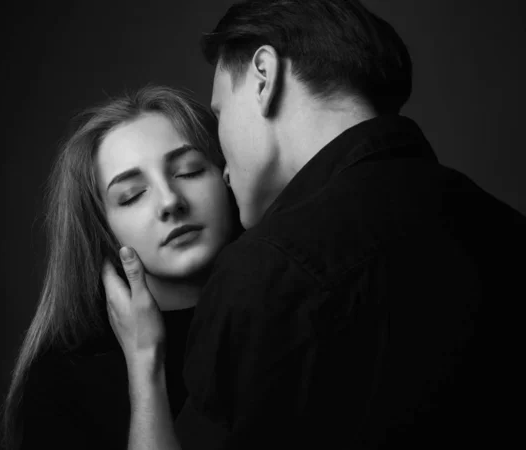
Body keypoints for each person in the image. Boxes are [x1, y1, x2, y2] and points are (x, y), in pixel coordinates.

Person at [112, 1, 526, 449]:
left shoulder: (265, 270)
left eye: (221, 114)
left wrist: (145, 364)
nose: (224, 167)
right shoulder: (507, 229)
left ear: (264, 77)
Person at [1, 85, 240, 450]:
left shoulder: (292, 313)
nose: (169, 202)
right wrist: (146, 365)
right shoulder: (63, 380)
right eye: (131, 195)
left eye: (189, 172)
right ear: (101, 229)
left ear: (228, 175)